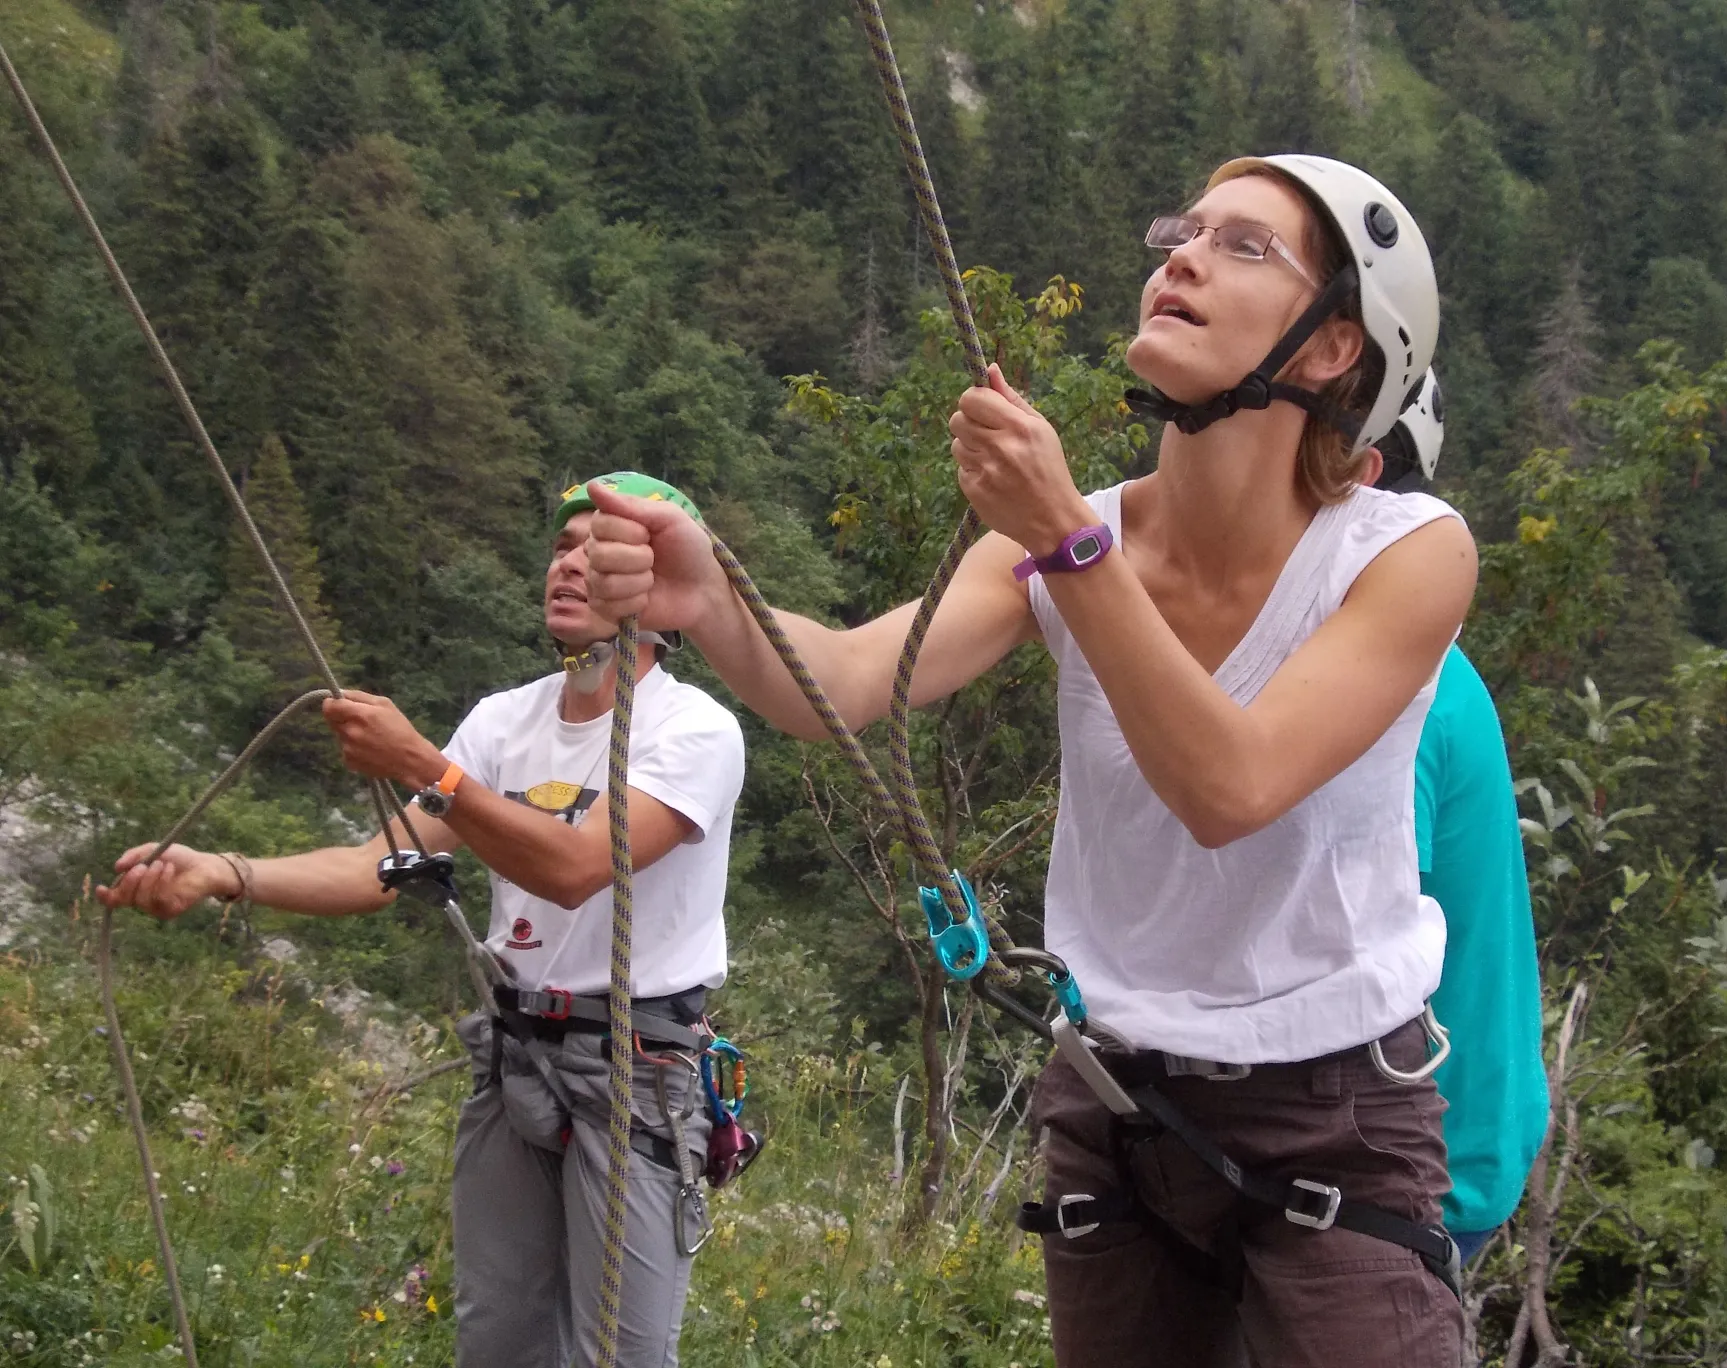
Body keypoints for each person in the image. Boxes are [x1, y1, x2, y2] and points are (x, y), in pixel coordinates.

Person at [585, 154, 1476, 1366]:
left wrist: (1065, 537)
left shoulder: (1406, 554)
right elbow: (846, 681)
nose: (1182, 257)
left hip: (1335, 1112)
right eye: (1183, 231)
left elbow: (1234, 786)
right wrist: (712, 600)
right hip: (1119, 1106)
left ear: (1330, 349)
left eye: (1243, 246)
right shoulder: (1063, 546)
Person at [98, 473, 745, 1368]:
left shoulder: (694, 731)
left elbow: (575, 868)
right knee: (498, 1343)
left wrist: (425, 766)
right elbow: (381, 863)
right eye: (562, 547)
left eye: (597, 550)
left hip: (635, 1069)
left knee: (622, 1355)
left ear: (656, 586)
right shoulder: (504, 722)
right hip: (519, 1056)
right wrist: (226, 872)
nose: (568, 566)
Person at [1371, 379, 1550, 1263]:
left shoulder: (1385, 689)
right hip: (1464, 1130)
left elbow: (1345, 939)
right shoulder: (1417, 653)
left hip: (1416, 1167)